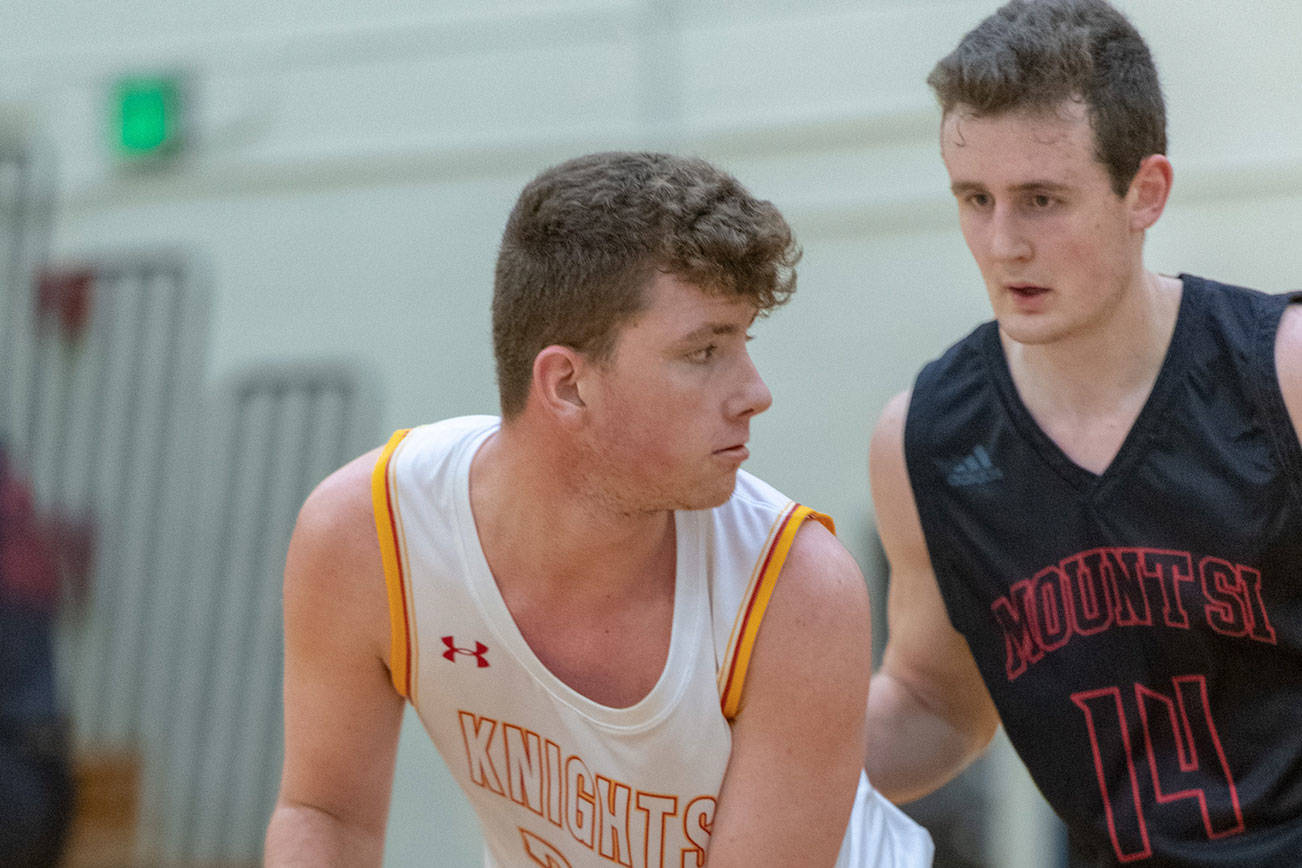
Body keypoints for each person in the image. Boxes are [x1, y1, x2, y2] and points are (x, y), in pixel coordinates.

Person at [265, 151, 933, 867]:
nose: (754, 391)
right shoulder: (366, 534)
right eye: (705, 350)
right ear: (568, 384)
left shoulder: (799, 590)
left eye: (743, 340)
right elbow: (325, 815)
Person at [865, 0, 1302, 864]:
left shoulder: (1284, 373)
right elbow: (935, 702)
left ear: (1145, 192)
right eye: (975, 198)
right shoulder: (923, 439)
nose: (1002, 243)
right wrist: (729, 751)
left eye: (1041, 200)